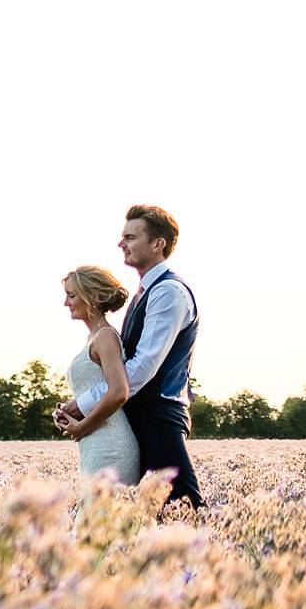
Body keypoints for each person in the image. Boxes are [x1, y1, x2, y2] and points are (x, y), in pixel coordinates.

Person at [56, 205, 202, 508]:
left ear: (157, 244)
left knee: (185, 508)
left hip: (160, 417)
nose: (121, 244)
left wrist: (82, 404)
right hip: (141, 418)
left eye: (130, 237)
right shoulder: (144, 293)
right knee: (156, 517)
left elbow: (141, 368)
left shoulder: (168, 292)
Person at [58, 265, 140, 484]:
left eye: (71, 295)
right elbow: (97, 388)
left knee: (103, 515)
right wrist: (71, 410)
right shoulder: (95, 338)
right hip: (96, 441)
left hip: (110, 444)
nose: (66, 303)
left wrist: (83, 426)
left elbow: (119, 391)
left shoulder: (105, 337)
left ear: (93, 296)